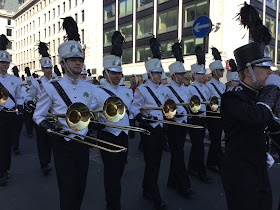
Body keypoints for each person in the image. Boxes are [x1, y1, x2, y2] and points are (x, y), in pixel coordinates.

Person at [221, 3, 280, 210]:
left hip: (260, 168)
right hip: (240, 173)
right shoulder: (232, 98)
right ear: (248, 71)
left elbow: (274, 125)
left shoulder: (261, 95)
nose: (269, 72)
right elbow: (257, 116)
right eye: (264, 67)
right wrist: (273, 90)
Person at [33, 17, 95, 210]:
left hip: (82, 143)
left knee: (81, 188)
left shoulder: (89, 86)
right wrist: (50, 128)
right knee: (67, 191)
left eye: (80, 59)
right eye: (73, 60)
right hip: (63, 143)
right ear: (62, 64)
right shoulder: (52, 87)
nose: (78, 63)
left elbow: (92, 111)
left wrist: (93, 126)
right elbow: (38, 115)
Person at [91, 31, 133, 210]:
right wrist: (94, 122)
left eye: (119, 72)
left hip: (123, 135)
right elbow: (91, 112)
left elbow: (129, 111)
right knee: (112, 174)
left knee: (120, 170)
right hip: (108, 136)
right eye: (113, 73)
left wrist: (133, 123)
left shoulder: (126, 90)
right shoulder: (97, 91)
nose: (117, 76)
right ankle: (113, 205)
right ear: (105, 73)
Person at [131, 37, 167, 210]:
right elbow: (134, 109)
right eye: (157, 73)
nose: (160, 75)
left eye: (161, 73)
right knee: (152, 163)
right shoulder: (142, 89)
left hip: (160, 129)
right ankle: (155, 195)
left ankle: (147, 188)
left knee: (156, 163)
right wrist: (141, 119)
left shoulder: (164, 89)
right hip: (148, 130)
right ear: (150, 74)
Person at [165, 42, 194, 198]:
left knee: (178, 153)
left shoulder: (186, 88)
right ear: (174, 76)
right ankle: (184, 185)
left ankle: (172, 180)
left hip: (183, 124)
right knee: (178, 154)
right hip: (173, 125)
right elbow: (163, 108)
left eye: (184, 74)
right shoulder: (166, 89)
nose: (184, 76)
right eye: (181, 74)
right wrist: (172, 114)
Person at [26, 42, 54, 175]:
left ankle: (49, 160)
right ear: (42, 69)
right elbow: (29, 96)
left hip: (54, 116)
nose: (49, 70)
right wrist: (30, 103)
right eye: (46, 68)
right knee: (42, 141)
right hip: (41, 115)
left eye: (50, 68)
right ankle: (44, 163)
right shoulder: (37, 83)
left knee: (52, 140)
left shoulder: (57, 81)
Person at [0, 34, 24, 186]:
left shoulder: (15, 80)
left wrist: (20, 109)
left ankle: (4, 170)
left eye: (6, 62)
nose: (4, 65)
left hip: (9, 116)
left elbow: (19, 97)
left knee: (6, 144)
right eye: (2, 62)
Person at [186, 46, 211, 183]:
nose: (203, 75)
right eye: (200, 74)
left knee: (198, 145)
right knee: (198, 145)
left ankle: (191, 168)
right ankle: (201, 171)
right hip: (194, 118)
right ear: (194, 75)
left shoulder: (206, 88)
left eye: (203, 73)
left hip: (204, 118)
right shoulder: (190, 88)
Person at [205, 47, 226, 173]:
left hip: (222, 114)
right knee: (215, 140)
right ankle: (217, 162)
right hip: (213, 115)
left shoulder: (223, 86)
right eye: (220, 70)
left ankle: (212, 162)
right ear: (213, 72)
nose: (222, 71)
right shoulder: (208, 86)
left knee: (217, 140)